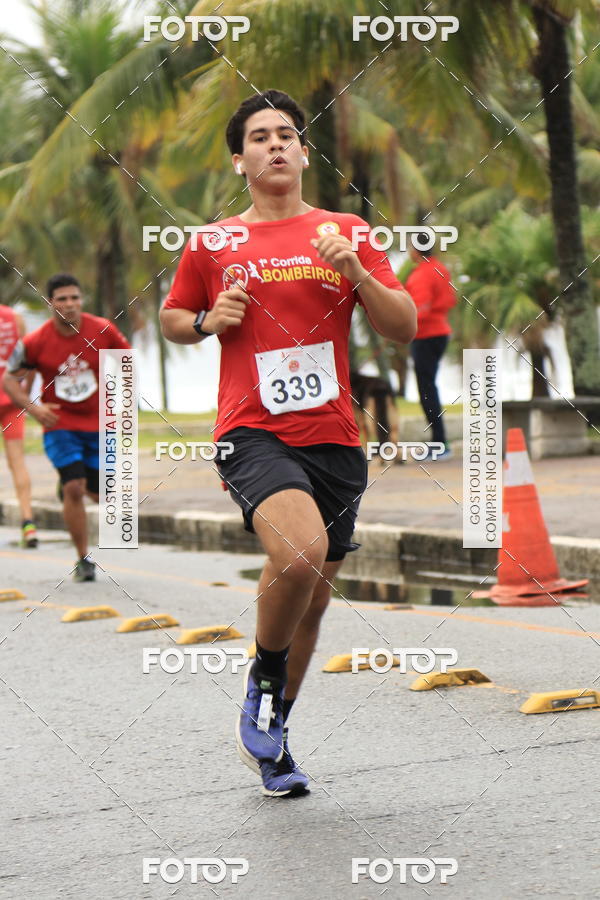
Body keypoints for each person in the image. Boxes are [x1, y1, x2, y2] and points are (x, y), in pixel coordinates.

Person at [160, 90, 417, 797]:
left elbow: (404, 326)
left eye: (286, 135)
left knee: (313, 598)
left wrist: (358, 272)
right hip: (251, 430)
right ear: (238, 160)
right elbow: (172, 318)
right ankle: (261, 683)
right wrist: (211, 320)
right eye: (259, 137)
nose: (275, 145)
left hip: (335, 437)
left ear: (304, 152)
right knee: (296, 554)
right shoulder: (213, 241)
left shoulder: (347, 231)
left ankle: (274, 738)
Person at [2, 274, 130, 581]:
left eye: (75, 298)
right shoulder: (35, 342)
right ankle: (83, 559)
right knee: (75, 486)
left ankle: (73, 483)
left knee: (103, 494)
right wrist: (33, 407)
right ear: (50, 303)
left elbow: (126, 361)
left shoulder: (103, 329)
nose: (69, 304)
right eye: (62, 299)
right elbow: (9, 379)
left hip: (100, 424)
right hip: (60, 424)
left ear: (81, 299)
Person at [405, 235, 457, 459]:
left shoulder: (421, 275)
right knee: (429, 386)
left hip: (426, 335)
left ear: (416, 251)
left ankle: (439, 443)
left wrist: (399, 325)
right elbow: (450, 299)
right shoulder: (440, 269)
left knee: (426, 389)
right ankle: (439, 441)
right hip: (441, 332)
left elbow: (420, 308)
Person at [0, 303, 38, 547]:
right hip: (12, 397)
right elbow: (29, 360)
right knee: (17, 462)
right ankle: (28, 523)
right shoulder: (15, 318)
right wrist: (25, 393)